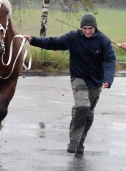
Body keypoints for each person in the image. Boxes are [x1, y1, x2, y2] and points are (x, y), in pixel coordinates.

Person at [23, 12, 116, 153]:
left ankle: (80, 142)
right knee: (82, 105)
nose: (87, 31)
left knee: (89, 113)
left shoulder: (103, 40)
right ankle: (73, 140)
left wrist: (108, 79)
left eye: (90, 28)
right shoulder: (73, 37)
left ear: (95, 28)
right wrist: (33, 40)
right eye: (84, 28)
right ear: (81, 28)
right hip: (78, 77)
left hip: (96, 81)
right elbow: (53, 42)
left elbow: (110, 60)